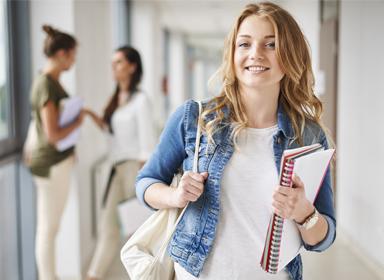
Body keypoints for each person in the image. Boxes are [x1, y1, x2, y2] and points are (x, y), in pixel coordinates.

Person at [134, 2, 336, 280]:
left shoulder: (309, 135)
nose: (255, 54)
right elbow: (145, 183)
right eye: (244, 44)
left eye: (271, 44)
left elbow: (323, 238)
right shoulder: (194, 118)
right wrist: (175, 195)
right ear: (232, 53)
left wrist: (304, 213)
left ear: (291, 55)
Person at [85, 46, 156, 280]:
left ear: (132, 67)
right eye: (112, 62)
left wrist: (143, 181)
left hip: (134, 170)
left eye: (118, 62)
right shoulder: (118, 98)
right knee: (108, 227)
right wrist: (89, 114)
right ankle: (93, 275)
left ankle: (146, 274)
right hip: (116, 171)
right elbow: (112, 134)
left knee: (136, 233)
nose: (113, 67)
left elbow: (147, 142)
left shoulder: (140, 100)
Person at [28, 25, 86, 280]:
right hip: (51, 164)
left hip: (54, 163)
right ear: (62, 54)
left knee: (50, 227)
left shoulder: (49, 82)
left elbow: (39, 126)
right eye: (72, 55)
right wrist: (78, 121)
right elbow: (52, 135)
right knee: (48, 229)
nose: (73, 60)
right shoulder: (46, 84)